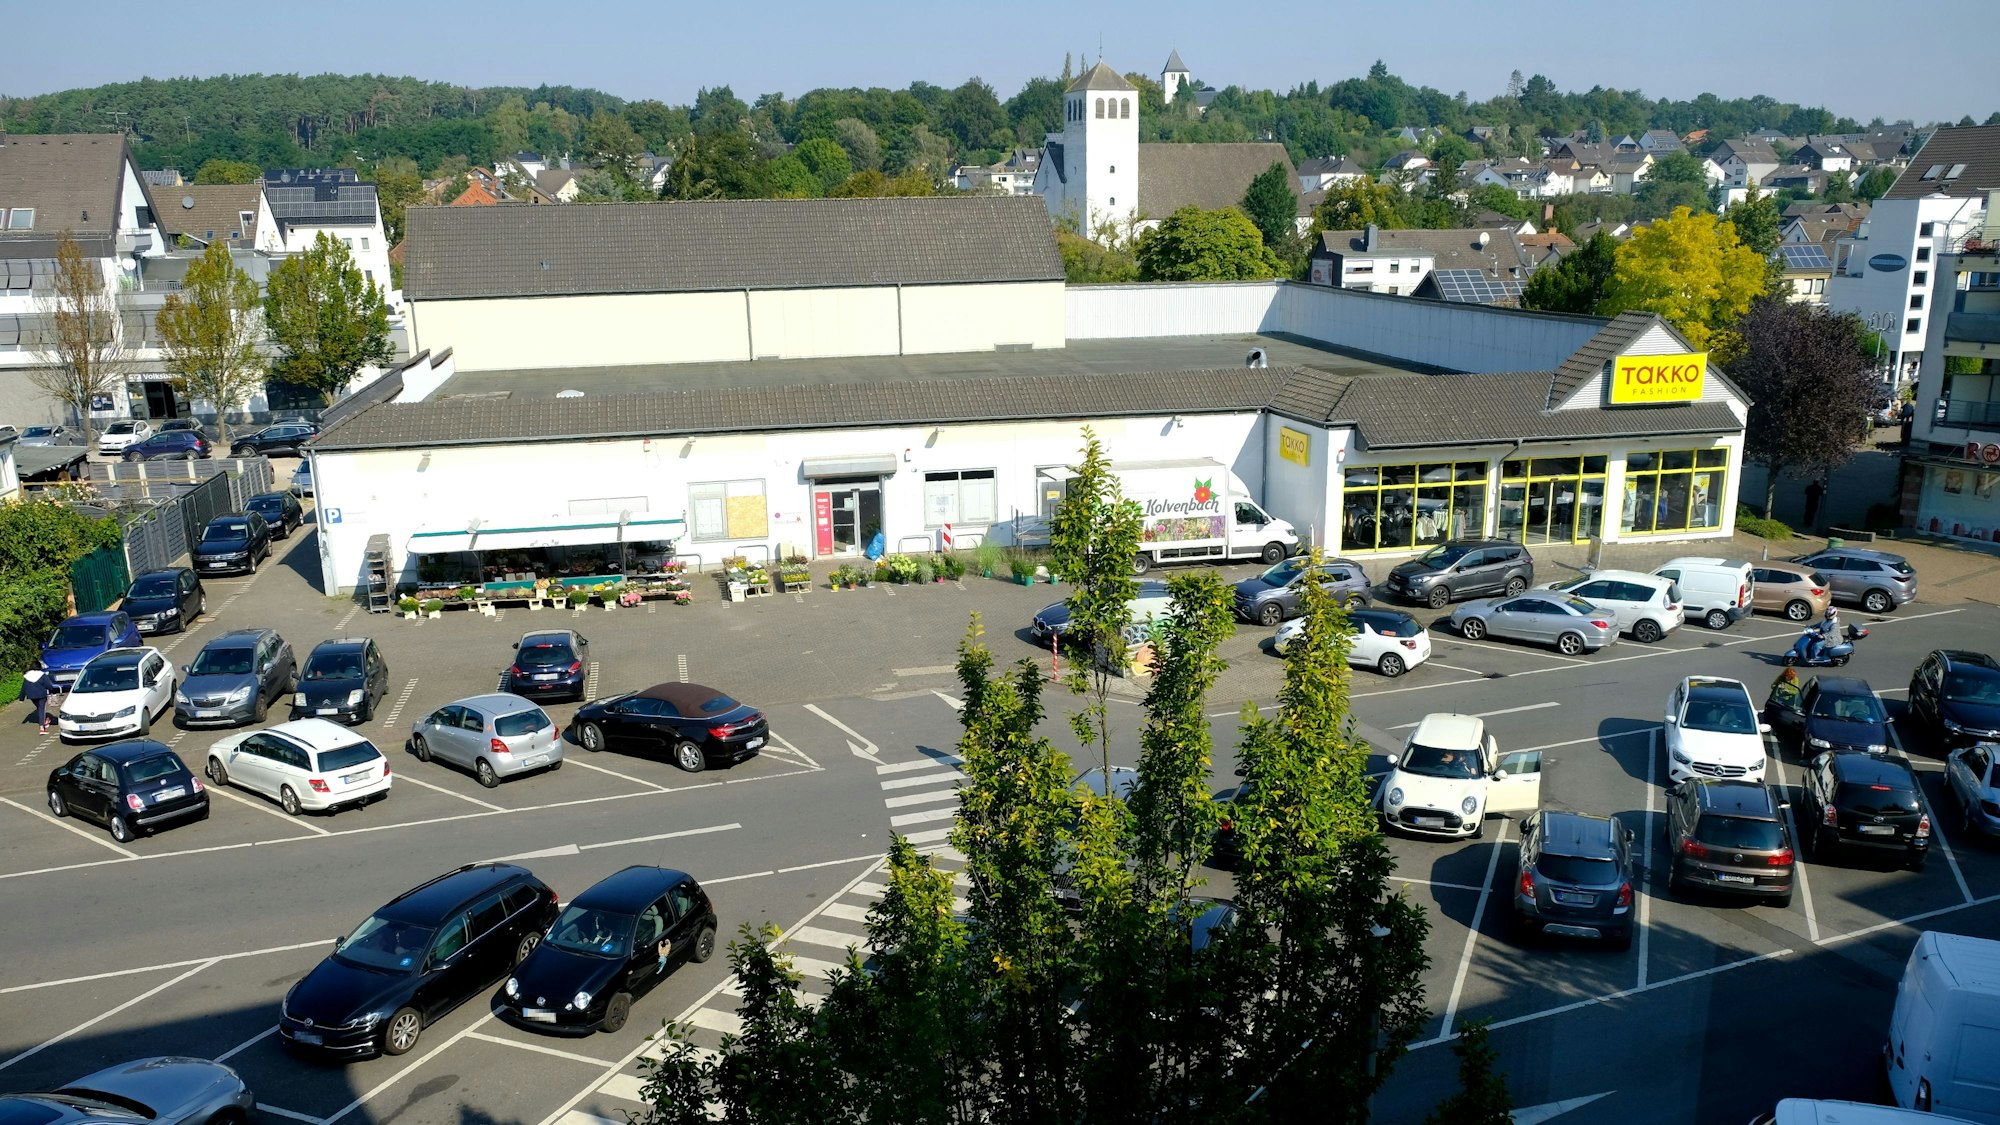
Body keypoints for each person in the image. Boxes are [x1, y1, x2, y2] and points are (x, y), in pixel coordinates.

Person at [21, 666, 51, 734]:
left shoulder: (27, 676)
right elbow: (48, 685)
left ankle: (45, 720)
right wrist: (51, 690)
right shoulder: (42, 675)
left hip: (31, 695)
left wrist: (21, 698)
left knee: (40, 708)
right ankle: (42, 728)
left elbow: (24, 687)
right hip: (41, 695)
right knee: (41, 709)